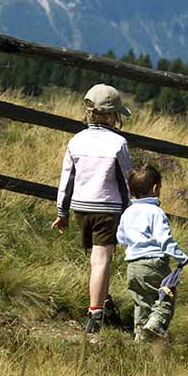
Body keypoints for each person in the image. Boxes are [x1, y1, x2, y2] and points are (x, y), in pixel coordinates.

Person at [51, 84, 133, 333]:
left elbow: (67, 179)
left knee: (97, 260)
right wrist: (131, 212)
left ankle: (104, 302)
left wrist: (62, 213)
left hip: (80, 210)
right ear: (112, 116)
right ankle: (95, 314)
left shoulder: (76, 140)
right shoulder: (118, 143)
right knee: (101, 261)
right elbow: (126, 182)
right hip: (107, 209)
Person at [116, 164, 188, 340]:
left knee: (142, 303)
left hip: (133, 266)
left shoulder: (128, 212)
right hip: (154, 263)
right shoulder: (156, 212)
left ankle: (141, 338)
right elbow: (164, 239)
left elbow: (120, 237)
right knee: (166, 296)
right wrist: (181, 256)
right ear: (155, 188)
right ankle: (155, 326)